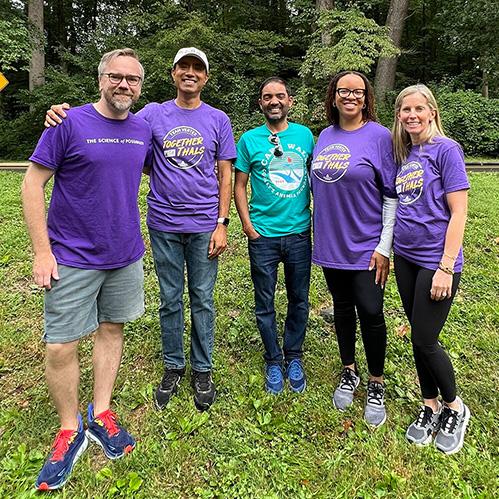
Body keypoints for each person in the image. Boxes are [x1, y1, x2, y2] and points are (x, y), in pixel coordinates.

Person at [45, 48, 236, 412]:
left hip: (203, 225)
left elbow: (225, 171)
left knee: (203, 298)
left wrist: (222, 222)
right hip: (163, 222)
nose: (191, 73)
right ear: (173, 73)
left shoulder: (218, 119)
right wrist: (59, 115)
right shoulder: (151, 115)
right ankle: (173, 365)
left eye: (198, 68)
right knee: (169, 298)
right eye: (184, 67)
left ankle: (203, 369)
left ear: (206, 77)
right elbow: (125, 142)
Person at [23, 48, 152, 490]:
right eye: (115, 77)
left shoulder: (143, 128)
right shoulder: (69, 123)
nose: (124, 85)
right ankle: (67, 428)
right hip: (72, 256)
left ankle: (100, 413)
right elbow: (32, 184)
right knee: (60, 344)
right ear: (101, 80)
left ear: (140, 86)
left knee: (112, 330)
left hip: (125, 254)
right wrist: (43, 251)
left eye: (132, 79)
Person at [310, 71, 398, 427]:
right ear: (333, 97)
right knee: (343, 310)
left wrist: (384, 246)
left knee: (372, 313)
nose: (349, 96)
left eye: (357, 91)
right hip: (331, 244)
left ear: (366, 98)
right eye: (342, 90)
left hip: (367, 247)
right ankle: (349, 370)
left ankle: (376, 382)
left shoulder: (379, 137)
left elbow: (391, 195)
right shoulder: (324, 136)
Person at [392, 84, 470, 454]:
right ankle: (429, 403)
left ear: (432, 111)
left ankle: (455, 406)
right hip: (404, 256)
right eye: (405, 110)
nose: (411, 115)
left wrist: (445, 267)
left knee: (425, 338)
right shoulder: (405, 152)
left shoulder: (447, 150)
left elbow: (459, 212)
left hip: (435, 261)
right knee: (417, 337)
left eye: (418, 109)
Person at [234, 77, 314, 394]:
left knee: (299, 300)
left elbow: (317, 179)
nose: (274, 101)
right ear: (261, 104)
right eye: (267, 97)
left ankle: (293, 355)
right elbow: (239, 184)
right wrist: (247, 225)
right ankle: (272, 358)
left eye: (279, 96)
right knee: (264, 302)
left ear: (289, 101)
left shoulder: (305, 136)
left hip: (298, 233)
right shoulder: (250, 140)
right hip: (263, 235)